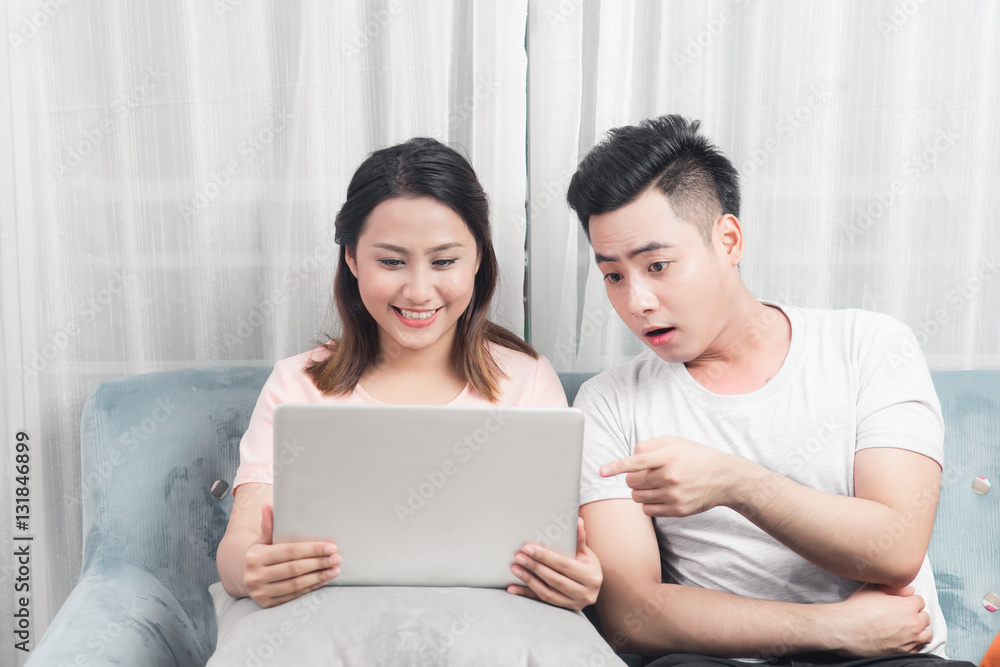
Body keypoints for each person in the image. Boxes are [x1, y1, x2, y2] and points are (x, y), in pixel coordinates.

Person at [564, 115, 975, 665]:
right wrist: (832, 628)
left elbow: (896, 545)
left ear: (727, 240)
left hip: (890, 654)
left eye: (657, 265)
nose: (636, 301)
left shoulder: (869, 346)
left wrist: (735, 482)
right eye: (613, 275)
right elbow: (632, 618)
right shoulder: (609, 402)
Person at [216, 137, 602, 614]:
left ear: (478, 259)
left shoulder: (527, 380)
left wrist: (578, 581)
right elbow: (239, 547)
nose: (419, 291)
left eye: (444, 261)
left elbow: (562, 548)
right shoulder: (297, 383)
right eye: (392, 261)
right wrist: (250, 569)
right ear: (352, 259)